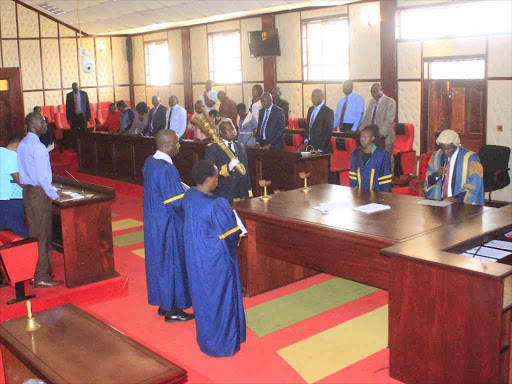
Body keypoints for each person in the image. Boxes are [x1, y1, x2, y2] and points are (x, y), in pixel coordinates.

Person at [183, 160, 246, 357]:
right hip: (216, 259)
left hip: (196, 255)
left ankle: (207, 339)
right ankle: (222, 343)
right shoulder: (217, 203)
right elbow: (230, 235)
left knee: (204, 298)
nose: (218, 180)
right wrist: (238, 235)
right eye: (216, 177)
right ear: (209, 179)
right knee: (221, 298)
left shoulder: (189, 195)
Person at [143, 129, 194, 322]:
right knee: (173, 264)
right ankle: (173, 309)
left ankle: (164, 304)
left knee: (160, 263)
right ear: (166, 146)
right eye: (176, 143)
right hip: (168, 224)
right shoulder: (167, 169)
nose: (179, 146)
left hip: (154, 220)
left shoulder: (150, 162)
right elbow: (176, 203)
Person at [17, 113, 63, 288]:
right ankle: (42, 276)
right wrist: (55, 195)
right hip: (39, 193)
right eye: (43, 121)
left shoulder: (23, 144)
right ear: (33, 125)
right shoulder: (38, 147)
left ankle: (34, 273)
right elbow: (43, 178)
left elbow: (22, 173)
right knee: (43, 234)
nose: (46, 124)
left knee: (34, 233)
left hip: (28, 191)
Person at [424, 129, 484, 206]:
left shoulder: (471, 159)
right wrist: (436, 175)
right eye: (443, 149)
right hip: (440, 203)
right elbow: (428, 180)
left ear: (456, 144)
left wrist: (456, 199)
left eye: (449, 149)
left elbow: (475, 184)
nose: (446, 152)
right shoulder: (436, 156)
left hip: (461, 204)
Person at [205, 119, 250, 203]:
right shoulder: (213, 148)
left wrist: (248, 192)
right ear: (220, 132)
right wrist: (228, 168)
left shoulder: (240, 147)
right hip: (224, 194)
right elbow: (211, 173)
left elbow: (246, 173)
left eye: (233, 128)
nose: (232, 131)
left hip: (241, 193)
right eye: (228, 129)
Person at [361, 83, 396, 169]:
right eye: (372, 92)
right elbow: (367, 118)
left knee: (386, 158)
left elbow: (388, 120)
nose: (373, 94)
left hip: (385, 137)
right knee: (374, 159)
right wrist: (361, 130)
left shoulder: (390, 102)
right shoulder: (371, 102)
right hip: (372, 137)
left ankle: (388, 179)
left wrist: (380, 134)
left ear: (381, 90)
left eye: (375, 91)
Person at [349, 125, 392, 193]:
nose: (362, 139)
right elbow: (353, 176)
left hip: (377, 196)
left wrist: (384, 197)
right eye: (361, 137)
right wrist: (355, 193)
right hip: (359, 194)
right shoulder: (355, 153)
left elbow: (385, 180)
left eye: (365, 137)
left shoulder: (382, 155)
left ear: (372, 138)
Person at [0, 136, 28, 238]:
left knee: (4, 233)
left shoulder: (1, 151)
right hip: (10, 200)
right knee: (17, 233)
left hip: (2, 198)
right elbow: (20, 180)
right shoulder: (12, 156)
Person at [303, 89, 333, 153]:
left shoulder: (328, 111)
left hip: (322, 148)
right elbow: (308, 126)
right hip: (309, 145)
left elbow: (327, 132)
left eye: (316, 96)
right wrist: (305, 140)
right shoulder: (310, 109)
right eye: (312, 96)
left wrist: (320, 149)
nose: (313, 98)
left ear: (322, 97)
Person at [66, 82, 91, 152]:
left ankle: (85, 146)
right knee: (74, 133)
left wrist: (89, 116)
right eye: (74, 89)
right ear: (72, 88)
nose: (75, 90)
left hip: (82, 116)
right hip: (74, 117)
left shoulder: (84, 94)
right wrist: (68, 119)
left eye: (76, 88)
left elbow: (87, 105)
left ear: (78, 87)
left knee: (84, 132)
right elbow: (67, 108)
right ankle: (76, 148)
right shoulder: (69, 95)